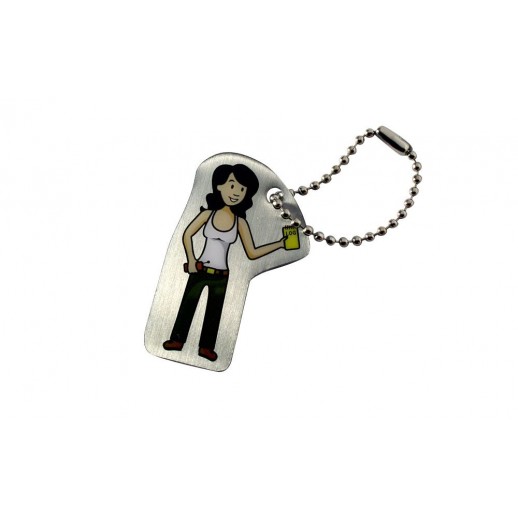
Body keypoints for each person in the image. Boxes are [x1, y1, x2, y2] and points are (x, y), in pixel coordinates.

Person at [163, 164, 287, 362]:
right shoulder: (208, 214)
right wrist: (191, 260)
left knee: (215, 311)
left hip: (222, 275)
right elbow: (187, 234)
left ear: (246, 194)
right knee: (188, 303)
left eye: (242, 189)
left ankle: (207, 347)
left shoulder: (240, 222)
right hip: (199, 269)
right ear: (219, 186)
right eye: (232, 185)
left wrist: (280, 244)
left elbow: (252, 252)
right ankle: (177, 339)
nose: (236, 192)